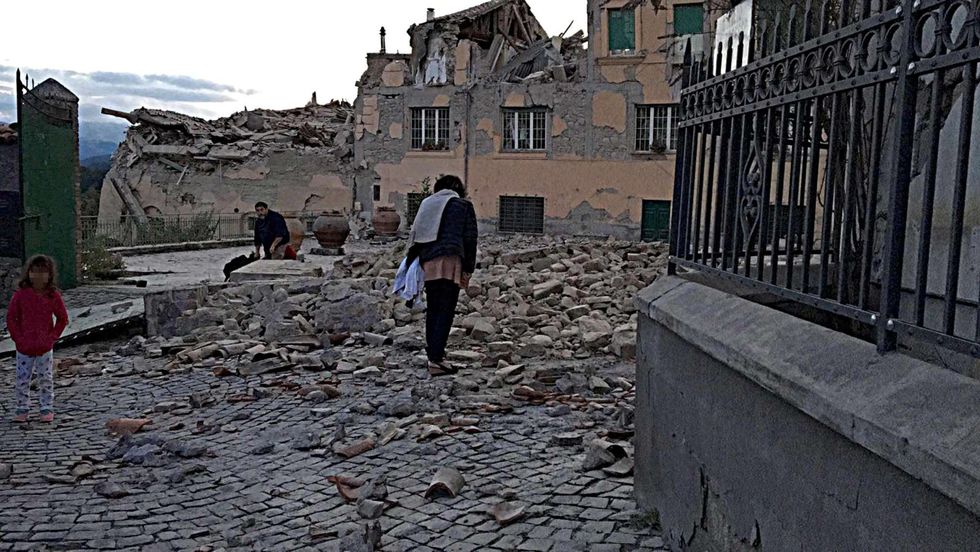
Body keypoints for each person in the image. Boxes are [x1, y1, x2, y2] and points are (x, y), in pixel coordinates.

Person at [407, 175, 478, 376]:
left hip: (428, 262)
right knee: (446, 310)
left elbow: (415, 236)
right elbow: (470, 238)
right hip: (450, 262)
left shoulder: (427, 205)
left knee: (434, 309)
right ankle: (437, 359)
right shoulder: (463, 206)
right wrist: (468, 269)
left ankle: (434, 355)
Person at [7, 255, 69, 423]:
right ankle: (22, 407)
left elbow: (62, 318)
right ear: (29, 273)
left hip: (44, 347)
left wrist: (52, 338)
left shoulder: (52, 296)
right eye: (35, 272)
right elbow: (12, 318)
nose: (39, 276)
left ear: (50, 275)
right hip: (24, 347)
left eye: (43, 272)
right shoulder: (21, 295)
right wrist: (18, 338)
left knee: (46, 379)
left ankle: (46, 407)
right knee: (22, 379)